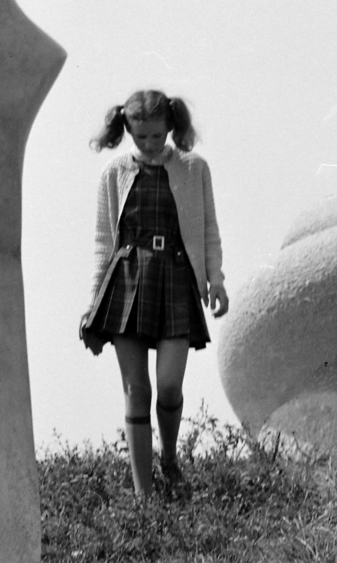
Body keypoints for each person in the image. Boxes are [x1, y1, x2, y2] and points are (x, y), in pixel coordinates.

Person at [79, 90, 229, 500]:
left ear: (171, 128)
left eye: (157, 136)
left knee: (167, 386)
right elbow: (102, 241)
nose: (149, 144)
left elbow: (208, 229)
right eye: (141, 137)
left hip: (178, 278)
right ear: (127, 130)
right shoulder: (114, 173)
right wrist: (93, 304)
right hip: (126, 282)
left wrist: (215, 279)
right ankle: (144, 494)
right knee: (136, 390)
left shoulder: (194, 168)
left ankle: (170, 458)